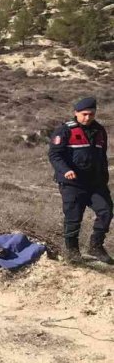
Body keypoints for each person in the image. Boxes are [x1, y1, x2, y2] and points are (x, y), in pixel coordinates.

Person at [48, 96, 111, 264]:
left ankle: (96, 246)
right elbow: (55, 155)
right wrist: (66, 170)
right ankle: (73, 252)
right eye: (84, 114)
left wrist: (104, 177)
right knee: (73, 218)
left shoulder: (100, 131)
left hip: (95, 183)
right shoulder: (65, 130)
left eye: (91, 114)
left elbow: (102, 156)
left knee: (106, 212)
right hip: (72, 184)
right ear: (76, 113)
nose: (87, 117)